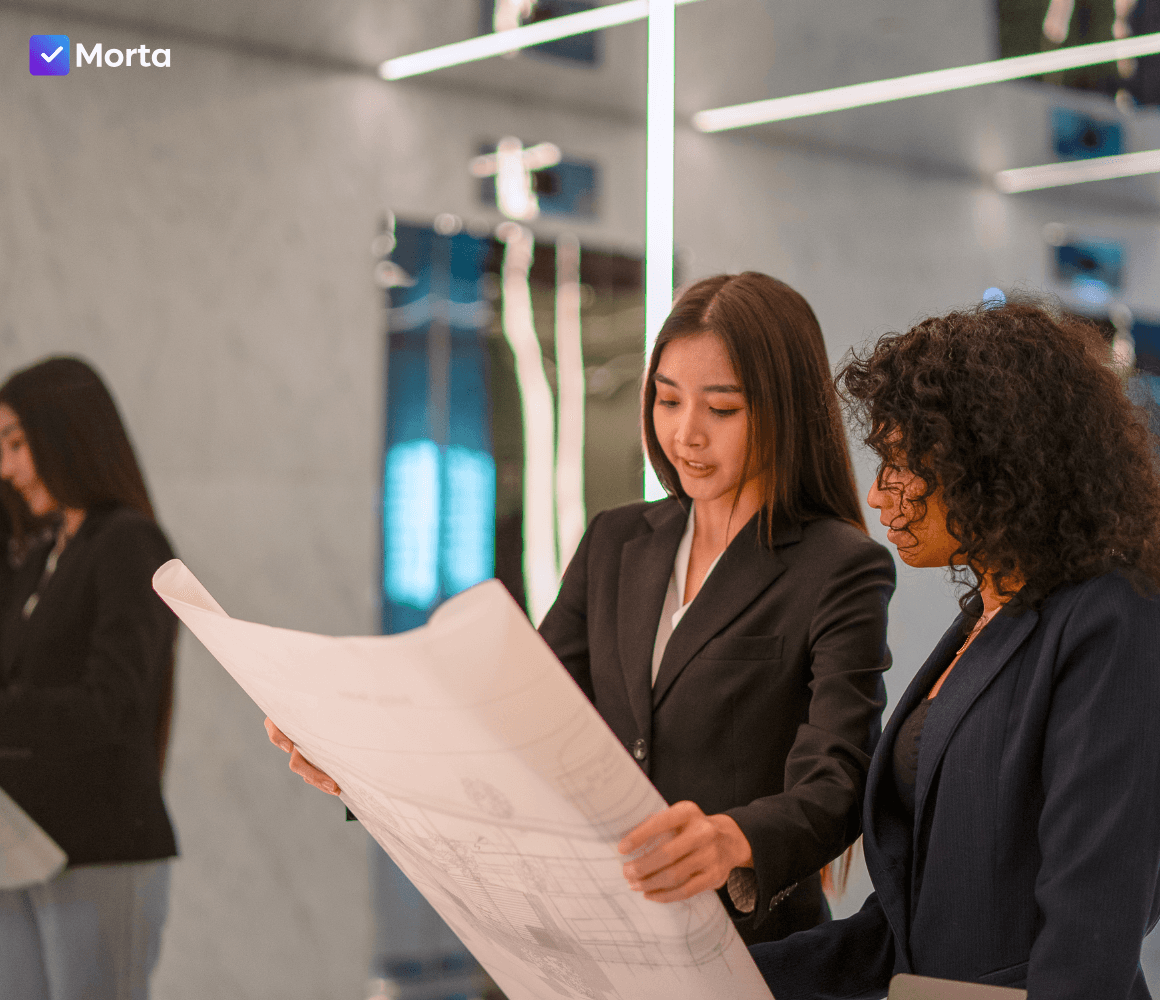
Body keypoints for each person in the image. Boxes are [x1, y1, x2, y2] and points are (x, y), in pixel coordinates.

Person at [270, 271, 896, 946]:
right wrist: (367, 766)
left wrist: (733, 840)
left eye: (721, 409)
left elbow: (839, 778)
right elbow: (517, 721)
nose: (686, 434)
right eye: (667, 400)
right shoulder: (616, 541)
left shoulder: (838, 566)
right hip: (598, 942)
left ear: (785, 410)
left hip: (753, 953)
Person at [750, 301, 1160, 999]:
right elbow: (905, 928)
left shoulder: (1112, 615)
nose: (878, 496)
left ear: (991, 460)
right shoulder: (986, 615)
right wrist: (721, 978)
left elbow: (1093, 919)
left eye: (900, 466)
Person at [0, 357, 178, 1000]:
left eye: (17, 444)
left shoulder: (128, 542)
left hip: (103, 844)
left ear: (65, 435)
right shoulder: (43, 554)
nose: (7, 469)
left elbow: (112, 704)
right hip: (25, 844)